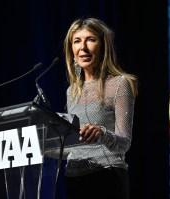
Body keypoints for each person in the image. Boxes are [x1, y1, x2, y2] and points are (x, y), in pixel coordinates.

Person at [63, 17, 138, 199]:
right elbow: (73, 146)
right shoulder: (71, 91)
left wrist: (101, 133)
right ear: (71, 50)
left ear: (103, 46)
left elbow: (124, 143)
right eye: (77, 41)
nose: (83, 48)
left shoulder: (119, 84)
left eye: (90, 39)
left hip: (107, 176)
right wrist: (45, 143)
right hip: (74, 180)